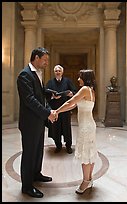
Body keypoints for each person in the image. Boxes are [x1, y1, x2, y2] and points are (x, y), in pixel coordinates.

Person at [17, 47, 57, 198]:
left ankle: (36, 174)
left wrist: (50, 96)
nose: (47, 62)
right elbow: (30, 100)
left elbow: (40, 94)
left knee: (38, 149)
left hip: (38, 121)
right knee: (29, 153)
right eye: (45, 59)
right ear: (36, 58)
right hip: (29, 123)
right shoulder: (24, 75)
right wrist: (48, 113)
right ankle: (27, 186)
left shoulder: (37, 73)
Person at [56, 69, 98, 194]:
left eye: (80, 77)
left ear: (85, 78)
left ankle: (85, 182)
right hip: (89, 125)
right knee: (89, 153)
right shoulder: (90, 90)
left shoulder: (85, 89)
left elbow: (70, 102)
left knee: (85, 154)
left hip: (86, 127)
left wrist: (56, 111)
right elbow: (73, 105)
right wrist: (58, 111)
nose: (78, 79)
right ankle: (89, 179)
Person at [45, 65, 77, 154]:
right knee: (56, 128)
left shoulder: (67, 81)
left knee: (67, 128)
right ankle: (58, 145)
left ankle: (68, 146)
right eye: (56, 71)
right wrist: (52, 96)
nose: (58, 72)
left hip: (66, 110)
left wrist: (71, 93)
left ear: (62, 72)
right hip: (55, 110)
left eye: (59, 71)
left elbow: (74, 91)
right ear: (54, 72)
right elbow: (45, 95)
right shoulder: (50, 82)